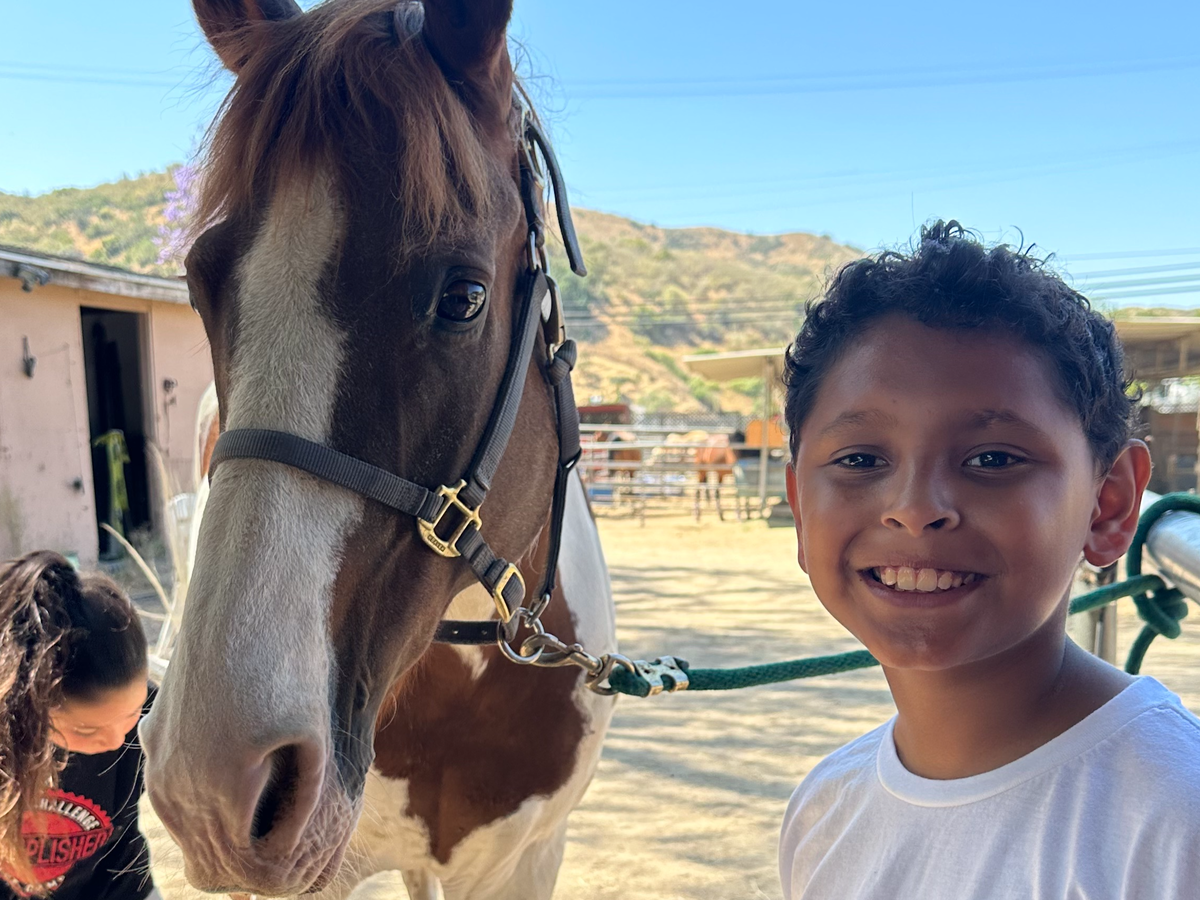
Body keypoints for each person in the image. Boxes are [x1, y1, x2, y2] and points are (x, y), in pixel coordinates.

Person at [778, 222, 1200, 899]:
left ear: (1108, 504)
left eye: (994, 459)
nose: (915, 509)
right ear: (801, 508)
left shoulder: (1175, 822)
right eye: (860, 459)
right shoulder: (824, 813)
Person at [0, 551, 157, 899]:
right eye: (86, 730)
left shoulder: (154, 717)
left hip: (119, 890)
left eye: (131, 714)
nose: (116, 740)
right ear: (31, 708)